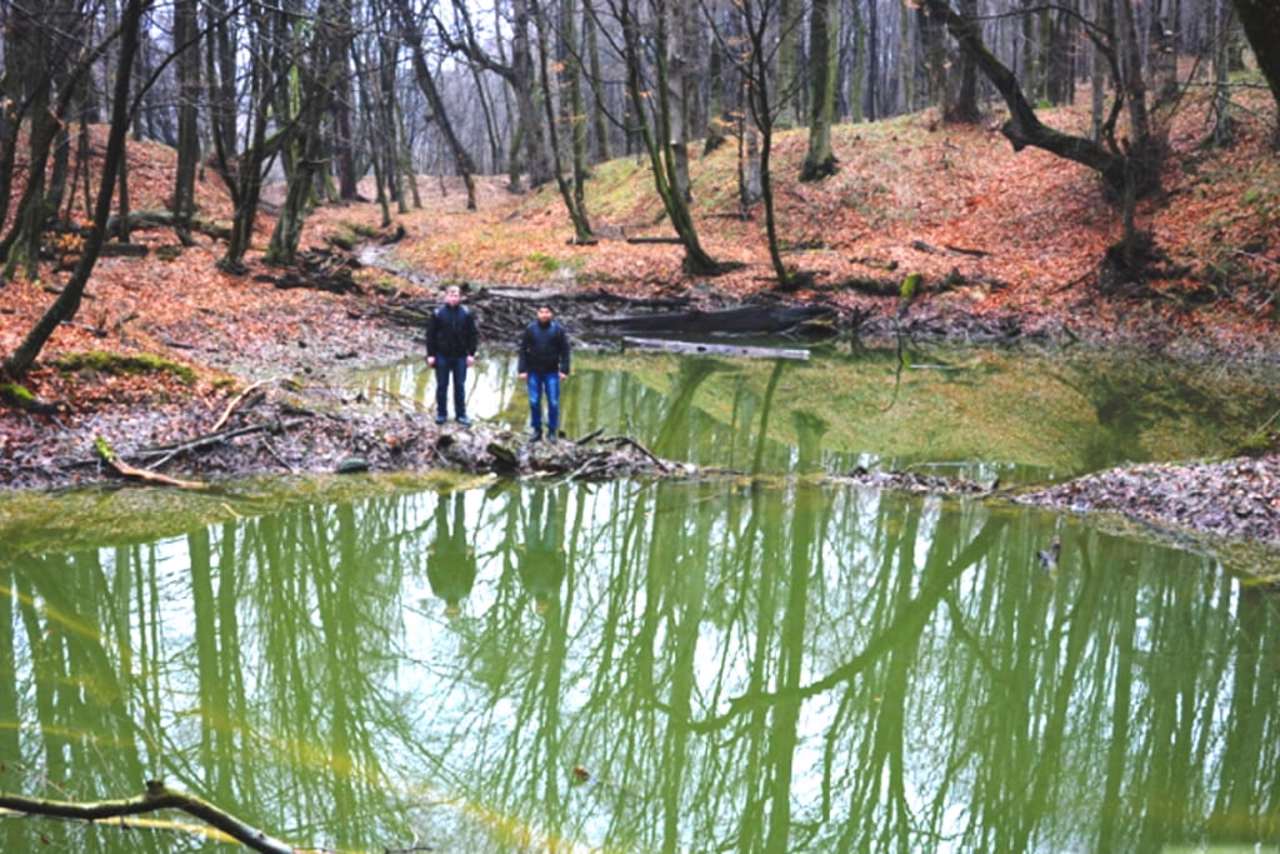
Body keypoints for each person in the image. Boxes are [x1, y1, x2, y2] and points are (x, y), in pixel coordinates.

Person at [426, 285, 478, 426]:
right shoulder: (437, 313)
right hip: (442, 355)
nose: (454, 298)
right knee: (442, 385)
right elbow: (430, 336)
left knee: (459, 386)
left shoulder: (466, 314)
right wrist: (430, 355)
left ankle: (461, 415)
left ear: (460, 297)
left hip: (460, 356)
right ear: (446, 296)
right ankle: (441, 413)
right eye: (451, 295)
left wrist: (471, 354)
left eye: (456, 295)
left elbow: (472, 335)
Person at [517, 305, 570, 442]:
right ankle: (537, 430)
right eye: (541, 312)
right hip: (533, 371)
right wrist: (522, 370)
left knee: (553, 402)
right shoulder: (530, 329)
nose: (544, 315)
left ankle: (552, 431)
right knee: (534, 401)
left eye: (547, 312)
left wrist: (564, 369)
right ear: (537, 314)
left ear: (551, 314)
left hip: (551, 371)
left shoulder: (558, 330)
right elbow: (523, 350)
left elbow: (565, 351)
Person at [426, 491, 477, 619]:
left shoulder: (438, 592)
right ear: (460, 609)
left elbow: (430, 573)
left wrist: (430, 556)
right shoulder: (465, 591)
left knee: (441, 526)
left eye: (450, 612)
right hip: (460, 553)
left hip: (441, 555)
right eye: (455, 611)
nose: (452, 609)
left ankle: (442, 496)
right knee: (459, 524)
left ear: (446, 610)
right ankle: (461, 494)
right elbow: (471, 572)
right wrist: (471, 556)